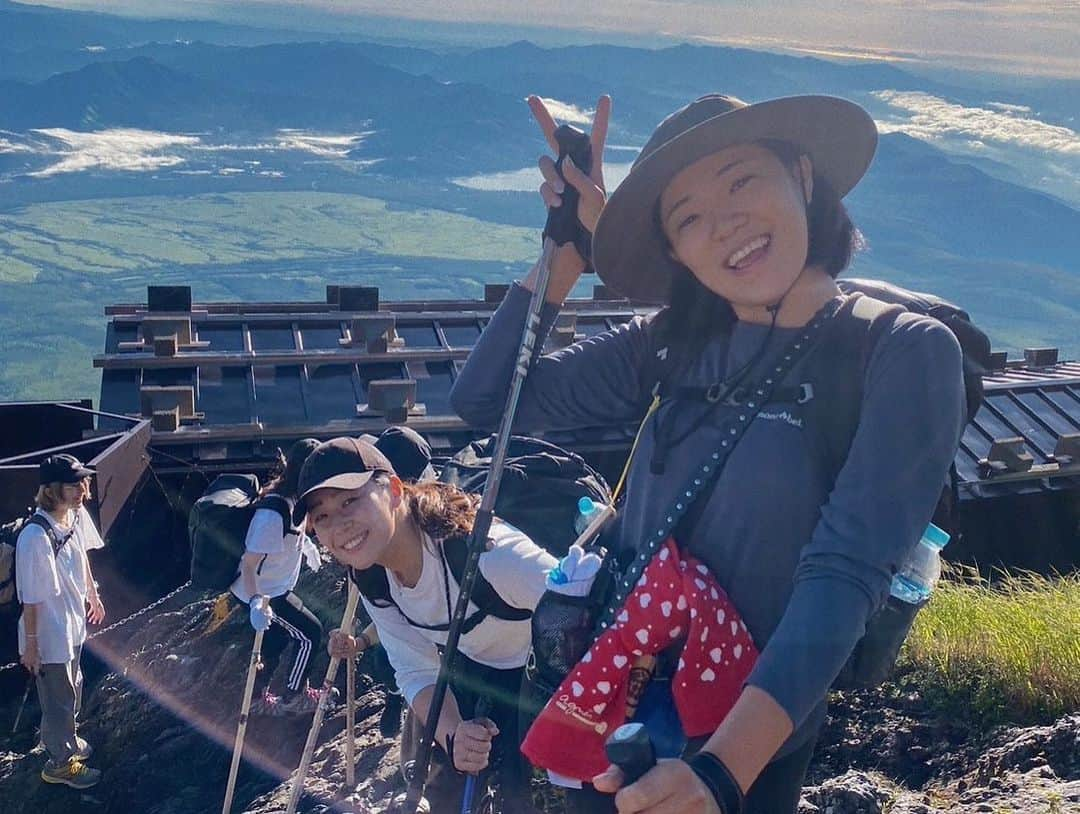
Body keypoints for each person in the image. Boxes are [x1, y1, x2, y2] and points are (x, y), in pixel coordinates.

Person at [449, 92, 965, 814]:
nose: (723, 225)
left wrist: (720, 774)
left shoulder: (899, 351)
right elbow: (489, 402)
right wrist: (564, 253)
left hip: (739, 749)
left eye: (742, 181)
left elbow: (845, 571)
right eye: (686, 217)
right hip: (620, 698)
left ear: (804, 178)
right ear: (675, 252)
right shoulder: (673, 343)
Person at [296, 436, 555, 812]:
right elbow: (415, 669)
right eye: (321, 516)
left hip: (548, 675)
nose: (339, 525)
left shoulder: (487, 553)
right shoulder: (372, 577)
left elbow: (583, 604)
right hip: (475, 669)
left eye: (350, 500)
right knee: (445, 787)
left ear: (395, 490)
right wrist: (453, 736)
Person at [17, 454, 107, 789]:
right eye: (75, 484)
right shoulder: (34, 537)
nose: (84, 489)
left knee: (74, 686)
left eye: (84, 481)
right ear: (53, 490)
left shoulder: (75, 517)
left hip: (71, 624)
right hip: (49, 633)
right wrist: (31, 645)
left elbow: (81, 554)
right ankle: (59, 763)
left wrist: (93, 596)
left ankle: (68, 741)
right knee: (58, 698)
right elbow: (32, 599)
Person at [231, 438, 325, 716]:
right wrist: (257, 602)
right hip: (265, 592)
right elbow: (249, 564)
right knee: (310, 634)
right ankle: (294, 696)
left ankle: (255, 699)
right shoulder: (273, 513)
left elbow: (292, 533)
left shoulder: (296, 501)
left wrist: (306, 546)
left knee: (274, 642)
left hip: (275, 587)